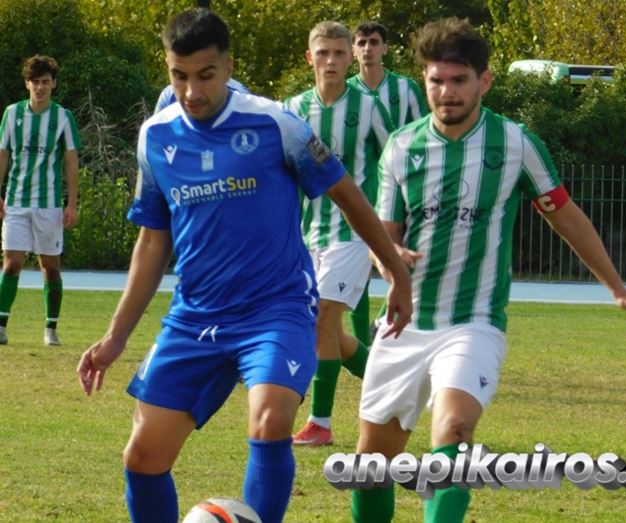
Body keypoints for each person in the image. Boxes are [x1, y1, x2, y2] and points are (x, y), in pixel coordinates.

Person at [76, 9, 411, 523]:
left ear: (228, 66)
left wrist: (395, 270)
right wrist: (115, 337)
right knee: (142, 456)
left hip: (275, 310)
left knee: (271, 419)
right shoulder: (155, 137)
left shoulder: (275, 123)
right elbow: (153, 241)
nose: (192, 90)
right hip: (195, 317)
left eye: (205, 74)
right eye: (179, 76)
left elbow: (346, 193)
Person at [351, 18, 626, 523]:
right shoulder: (402, 147)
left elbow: (565, 216)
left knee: (453, 432)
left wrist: (618, 289)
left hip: (474, 323)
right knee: (371, 465)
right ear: (424, 80)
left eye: (459, 80)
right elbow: (382, 236)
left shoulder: (514, 143)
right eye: (436, 80)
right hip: (405, 323)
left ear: (484, 81)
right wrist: (389, 256)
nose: (447, 92)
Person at [286, 21, 396, 447]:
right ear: (309, 57)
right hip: (307, 234)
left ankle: (320, 422)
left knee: (324, 316)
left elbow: (396, 161)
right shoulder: (293, 109)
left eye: (338, 53)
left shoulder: (368, 107)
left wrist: (391, 225)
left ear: (350, 57)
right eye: (323, 52)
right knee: (326, 331)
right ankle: (391, 387)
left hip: (354, 233)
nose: (330, 60)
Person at [347, 20, 430, 346]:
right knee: (358, 268)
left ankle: (384, 320)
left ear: (385, 48)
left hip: (403, 190)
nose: (367, 48)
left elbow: (423, 135)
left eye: (373, 41)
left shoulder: (406, 89)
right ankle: (365, 343)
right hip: (357, 192)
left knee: (404, 259)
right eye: (361, 42)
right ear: (353, 50)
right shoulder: (346, 92)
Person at [0, 55, 80, 347]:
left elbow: (71, 161)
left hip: (49, 204)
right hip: (16, 201)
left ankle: (50, 328)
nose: (40, 87)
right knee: (12, 264)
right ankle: (1, 326)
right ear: (27, 84)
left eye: (45, 81)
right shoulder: (11, 114)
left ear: (53, 84)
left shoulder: (63, 117)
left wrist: (71, 203)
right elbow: (3, 154)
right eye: (35, 82)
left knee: (51, 267)